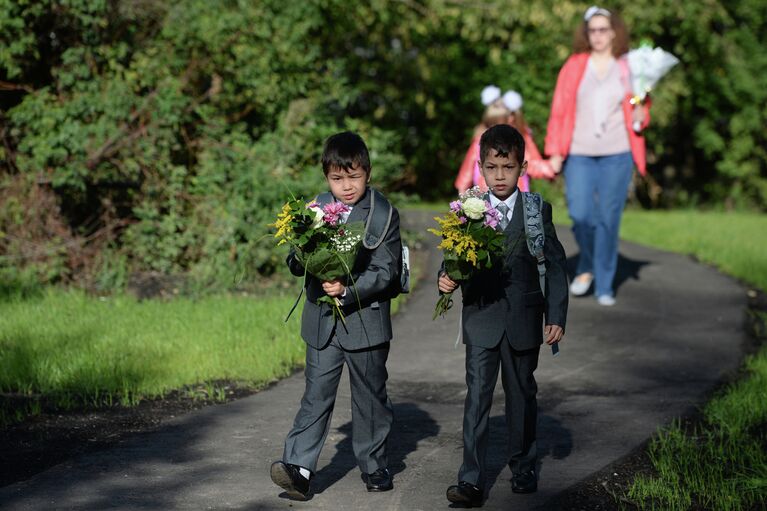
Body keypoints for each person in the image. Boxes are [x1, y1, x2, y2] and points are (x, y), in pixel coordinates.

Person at [439, 124, 569, 507]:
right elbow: (453, 257)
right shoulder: (467, 210)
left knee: (522, 395)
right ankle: (471, 479)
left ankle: (524, 466)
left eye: (507, 168)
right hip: (481, 318)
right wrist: (446, 279)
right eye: (492, 168)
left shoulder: (535, 210)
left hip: (524, 320)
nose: (499, 176)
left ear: (522, 168)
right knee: (477, 396)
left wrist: (556, 314)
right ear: (480, 166)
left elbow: (556, 264)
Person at [270, 131, 402, 499]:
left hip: (365, 321)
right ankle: (298, 468)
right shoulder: (314, 208)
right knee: (316, 395)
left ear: (368, 173)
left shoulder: (382, 212)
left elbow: (386, 269)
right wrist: (301, 254)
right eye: (337, 178)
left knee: (370, 398)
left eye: (354, 177)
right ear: (327, 177)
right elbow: (296, 259)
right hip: (322, 323)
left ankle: (374, 464)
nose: (346, 186)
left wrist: (348, 289)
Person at [544, 5, 651, 306]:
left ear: (615, 31)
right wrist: (553, 152)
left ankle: (604, 283)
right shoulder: (575, 66)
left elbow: (640, 112)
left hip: (617, 154)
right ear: (586, 34)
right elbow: (559, 111)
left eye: (604, 29)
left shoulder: (629, 67)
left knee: (608, 218)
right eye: (593, 30)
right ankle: (587, 264)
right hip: (579, 153)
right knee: (580, 214)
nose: (598, 35)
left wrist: (642, 114)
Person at [455, 86, 555, 195]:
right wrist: (462, 188)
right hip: (485, 194)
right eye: (490, 125)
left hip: (515, 193)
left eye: (498, 124)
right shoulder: (480, 141)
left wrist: (549, 168)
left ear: (511, 120)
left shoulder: (517, 141)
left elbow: (531, 161)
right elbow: (468, 166)